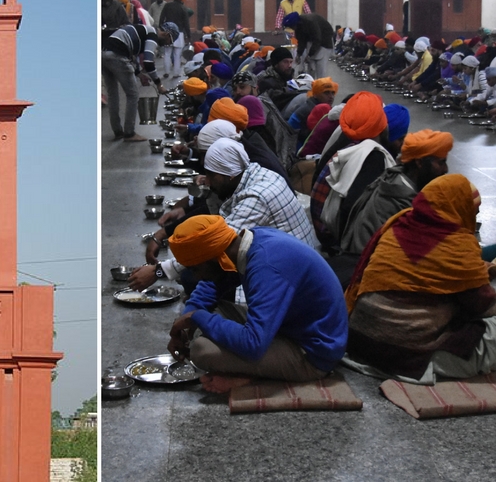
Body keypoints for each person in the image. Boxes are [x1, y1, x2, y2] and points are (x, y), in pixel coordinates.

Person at [165, 215, 348, 393]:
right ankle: (254, 369)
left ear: (215, 258)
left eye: (195, 269)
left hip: (312, 353)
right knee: (209, 314)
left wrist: (197, 317)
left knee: (201, 351)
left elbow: (252, 344)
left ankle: (254, 380)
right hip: (287, 327)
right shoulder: (246, 243)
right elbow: (210, 286)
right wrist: (187, 321)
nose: (196, 277)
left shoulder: (267, 266)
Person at [344, 174, 496, 383]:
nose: (474, 219)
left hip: (361, 342)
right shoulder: (458, 244)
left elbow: (422, 271)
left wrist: (476, 272)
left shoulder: (397, 225)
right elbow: (482, 305)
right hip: (408, 356)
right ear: (459, 209)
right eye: (473, 212)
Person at [130, 137, 313, 293]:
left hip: (288, 277)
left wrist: (158, 271)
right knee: (198, 276)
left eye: (211, 175)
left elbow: (215, 241)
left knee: (194, 276)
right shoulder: (253, 173)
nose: (207, 181)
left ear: (230, 174)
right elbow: (215, 213)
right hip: (281, 261)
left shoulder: (257, 196)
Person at [330, 130, 453, 285]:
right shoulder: (403, 203)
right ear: (419, 163)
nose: (445, 169)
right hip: (368, 275)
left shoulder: (395, 177)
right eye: (441, 162)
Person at [310, 92, 396, 254]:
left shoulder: (344, 137)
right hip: (335, 242)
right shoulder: (372, 156)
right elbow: (353, 210)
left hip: (320, 228)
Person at [102, 22, 177, 142]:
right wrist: (159, 84)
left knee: (112, 94)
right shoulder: (152, 34)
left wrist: (139, 74)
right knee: (133, 94)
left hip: (103, 53)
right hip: (117, 55)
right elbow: (148, 61)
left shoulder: (143, 31)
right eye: (169, 41)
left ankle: (117, 131)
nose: (167, 44)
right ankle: (129, 133)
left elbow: (132, 55)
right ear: (167, 34)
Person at [283, 12, 334, 78]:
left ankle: (321, 85)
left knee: (321, 71)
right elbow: (301, 41)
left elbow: (317, 39)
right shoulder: (299, 26)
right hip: (312, 43)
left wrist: (310, 55)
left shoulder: (311, 22)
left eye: (292, 26)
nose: (292, 29)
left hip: (324, 43)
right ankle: (311, 85)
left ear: (296, 23)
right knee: (310, 70)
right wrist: (299, 54)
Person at [158, 0, 191, 80]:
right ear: (182, 0)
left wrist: (162, 29)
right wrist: (188, 35)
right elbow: (186, 24)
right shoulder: (183, 8)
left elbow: (161, 18)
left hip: (167, 33)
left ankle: (166, 72)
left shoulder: (167, 5)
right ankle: (176, 73)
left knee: (167, 53)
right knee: (177, 55)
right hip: (179, 33)